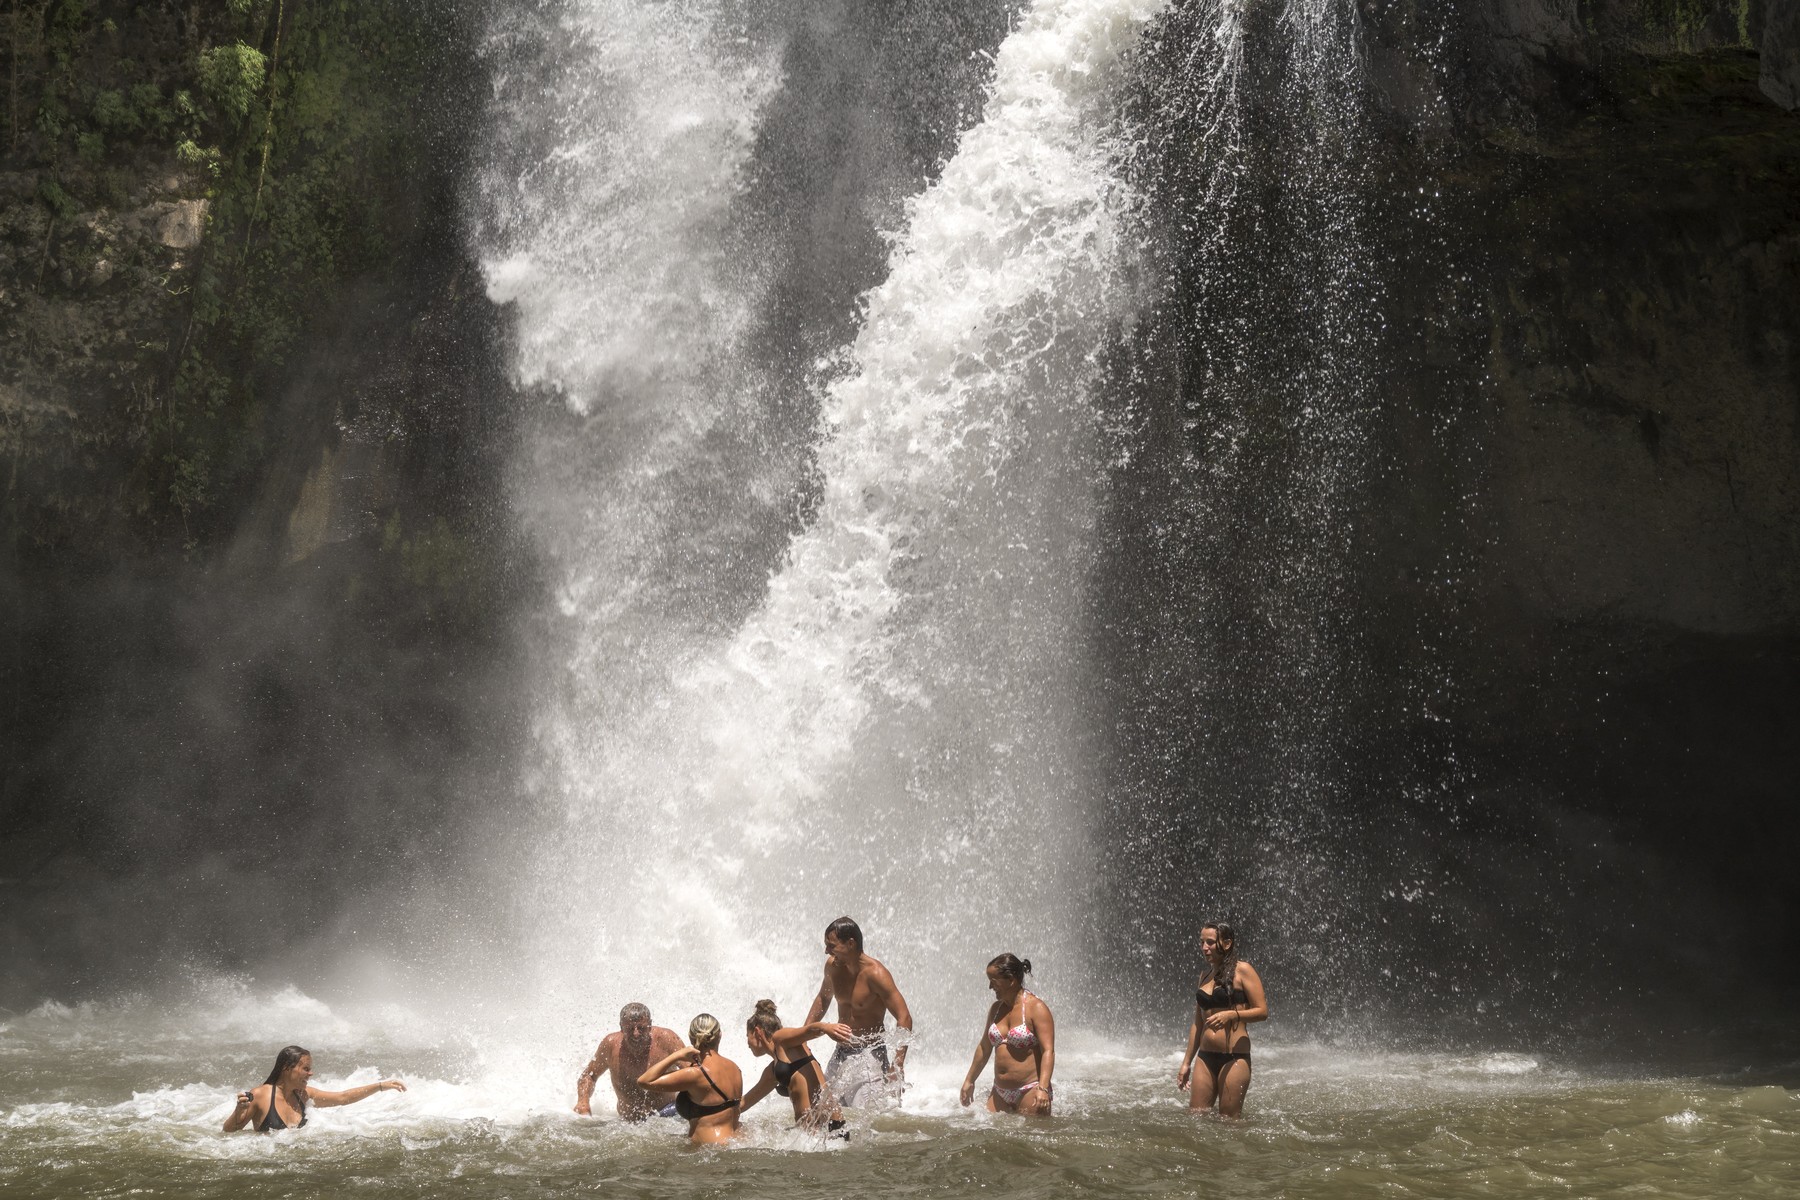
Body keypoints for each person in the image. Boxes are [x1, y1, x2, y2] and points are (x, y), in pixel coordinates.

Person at [804, 916, 915, 1107]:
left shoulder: (876, 974)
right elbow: (823, 998)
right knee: (824, 1111)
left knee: (867, 1118)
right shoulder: (833, 966)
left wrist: (897, 1065)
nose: (826, 951)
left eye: (831, 946)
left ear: (851, 943)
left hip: (869, 1056)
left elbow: (904, 1017)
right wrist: (803, 1036)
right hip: (840, 1053)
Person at [1176, 920, 1268, 1118]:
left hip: (1234, 1058)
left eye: (1210, 942)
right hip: (1205, 1057)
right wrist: (1186, 1063)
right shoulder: (1204, 975)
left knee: (1229, 1123)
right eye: (1201, 942)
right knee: (1196, 1117)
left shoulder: (1243, 970)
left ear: (1227, 943)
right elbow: (1197, 1023)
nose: (1204, 947)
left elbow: (1262, 1011)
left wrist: (1232, 1014)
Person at [223, 1044, 406, 1133]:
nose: (310, 1074)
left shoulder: (304, 1095)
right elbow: (229, 1131)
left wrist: (380, 1086)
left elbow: (343, 1097)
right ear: (287, 1068)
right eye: (306, 1069)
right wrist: (238, 1111)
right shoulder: (261, 1095)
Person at [959, 953, 1055, 1116]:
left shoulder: (1036, 1008)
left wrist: (1043, 1088)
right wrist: (969, 1080)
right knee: (989, 1137)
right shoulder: (996, 1010)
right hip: (999, 1092)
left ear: (1011, 979)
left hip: (1030, 1090)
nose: (990, 987)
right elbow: (984, 1047)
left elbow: (1048, 1051)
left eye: (993, 981)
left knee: (1030, 1140)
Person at [741, 998, 851, 1134]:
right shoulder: (773, 1070)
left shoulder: (780, 1039)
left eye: (747, 1036)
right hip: (810, 1133)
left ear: (757, 1032)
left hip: (829, 1128)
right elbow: (745, 1102)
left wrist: (826, 1027)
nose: (747, 1043)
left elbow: (808, 1030)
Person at [637, 1013, 744, 1145]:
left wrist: (676, 1055)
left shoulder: (695, 1074)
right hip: (736, 1141)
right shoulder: (735, 1068)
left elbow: (644, 1081)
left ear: (691, 1038)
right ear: (720, 1035)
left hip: (709, 1149)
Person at [574, 1002, 686, 1120]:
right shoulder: (610, 1044)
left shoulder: (666, 1039)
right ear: (621, 1027)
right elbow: (589, 1075)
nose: (636, 1034)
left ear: (650, 1025)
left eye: (641, 1028)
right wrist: (583, 1102)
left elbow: (694, 1071)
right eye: (630, 1029)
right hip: (627, 1122)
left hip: (666, 1115)